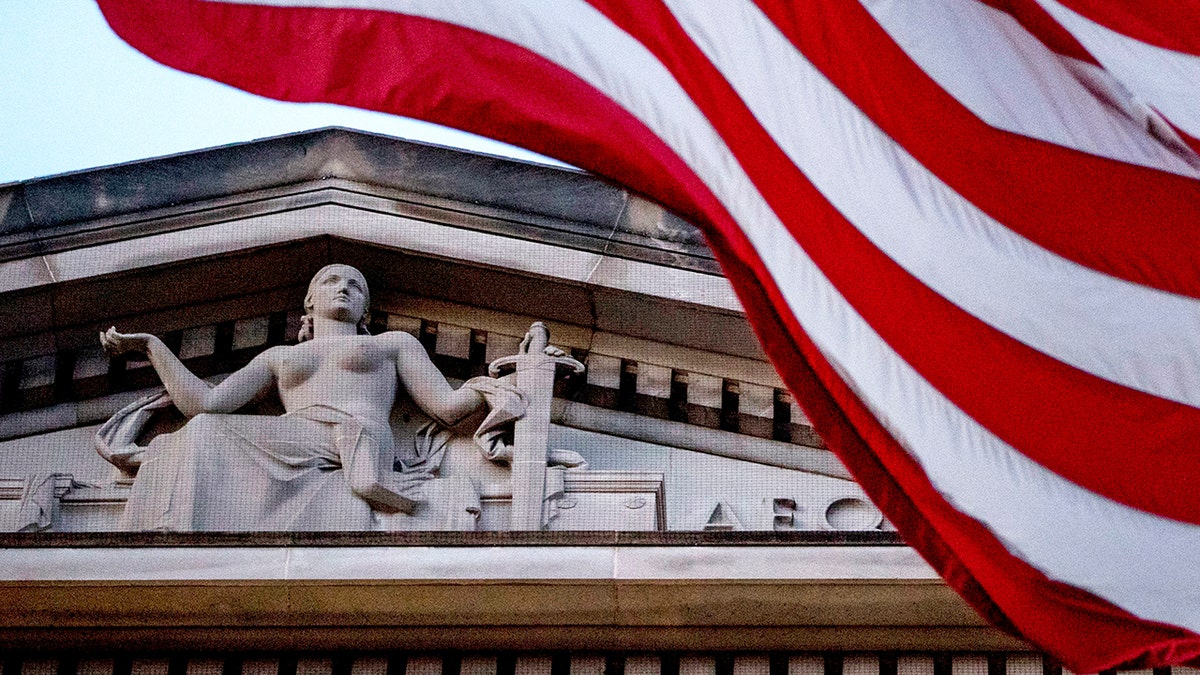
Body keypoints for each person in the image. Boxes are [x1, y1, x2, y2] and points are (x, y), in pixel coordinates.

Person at [100, 264, 502, 531]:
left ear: (365, 308)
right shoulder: (279, 357)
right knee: (201, 429)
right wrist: (153, 347)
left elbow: (448, 408)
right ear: (309, 301)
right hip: (296, 437)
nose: (344, 288)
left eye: (355, 286)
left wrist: (498, 386)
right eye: (332, 281)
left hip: (357, 434)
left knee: (204, 432)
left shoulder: (391, 344)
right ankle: (178, 531)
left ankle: (375, 483)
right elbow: (205, 405)